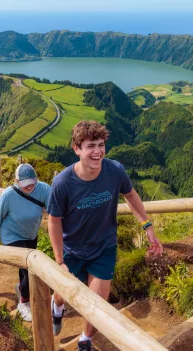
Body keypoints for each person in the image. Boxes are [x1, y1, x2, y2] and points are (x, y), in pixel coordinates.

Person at [47, 120, 163, 351]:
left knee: (98, 304)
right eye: (90, 146)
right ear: (77, 149)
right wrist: (59, 260)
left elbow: (131, 195)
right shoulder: (62, 183)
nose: (98, 151)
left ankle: (85, 340)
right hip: (72, 250)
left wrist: (147, 224)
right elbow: (54, 220)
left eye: (101, 145)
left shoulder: (114, 170)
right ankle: (57, 307)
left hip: (104, 248)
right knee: (62, 294)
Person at [0, 164, 51, 322]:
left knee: (24, 270)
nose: (30, 186)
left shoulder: (44, 189)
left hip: (31, 234)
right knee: (30, 268)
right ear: (17, 182)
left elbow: (53, 211)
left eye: (32, 182)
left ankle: (20, 287)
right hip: (11, 235)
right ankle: (24, 302)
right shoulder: (7, 196)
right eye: (25, 184)